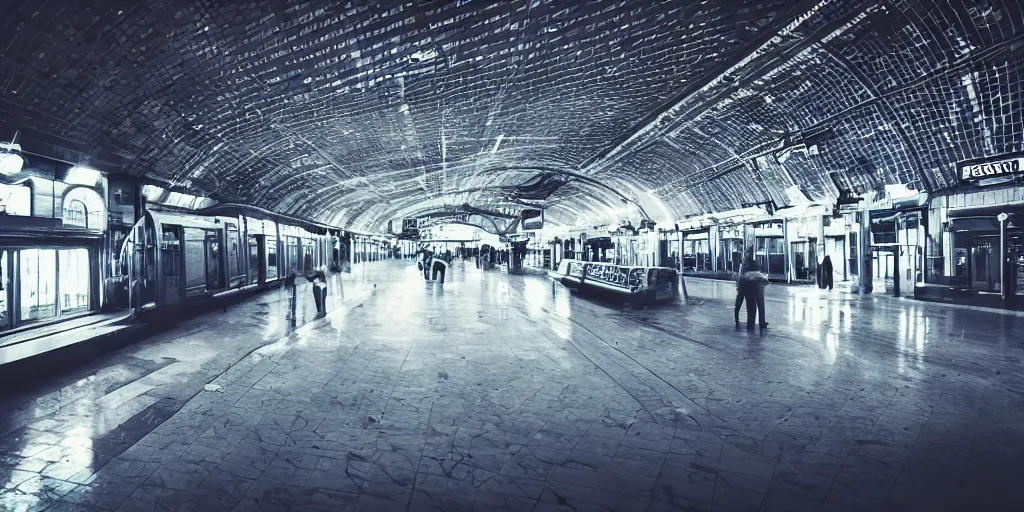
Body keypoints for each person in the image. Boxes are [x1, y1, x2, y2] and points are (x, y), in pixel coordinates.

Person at [741, 259, 769, 330]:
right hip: (759, 286)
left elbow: (742, 280)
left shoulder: (746, 275)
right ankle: (762, 323)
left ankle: (750, 322)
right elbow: (766, 281)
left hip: (749, 287)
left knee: (750, 305)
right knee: (761, 305)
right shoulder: (759, 274)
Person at [734, 258, 747, 327]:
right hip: (745, 287)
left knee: (738, 303)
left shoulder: (741, 267)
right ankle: (737, 318)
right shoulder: (744, 267)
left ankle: (736, 318)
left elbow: (738, 276)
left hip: (741, 287)